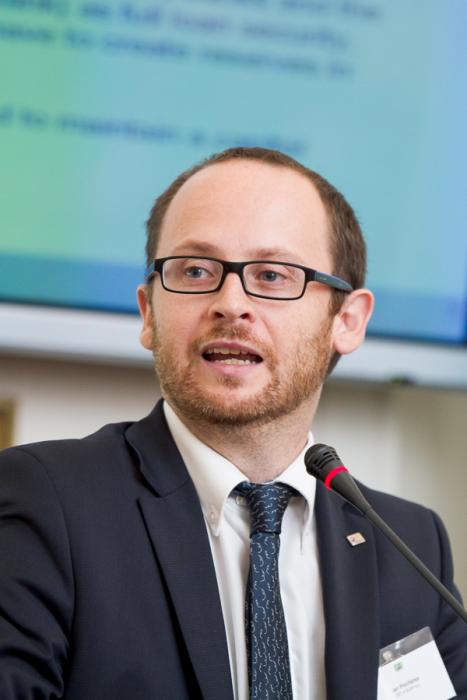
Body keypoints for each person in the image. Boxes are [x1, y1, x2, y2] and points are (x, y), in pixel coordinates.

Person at [0, 147, 466, 700]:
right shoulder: (44, 500)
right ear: (149, 313)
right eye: (196, 271)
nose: (231, 303)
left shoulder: (411, 544)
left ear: (347, 320)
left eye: (272, 275)